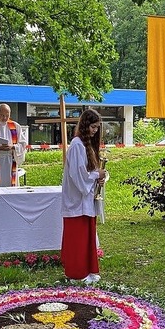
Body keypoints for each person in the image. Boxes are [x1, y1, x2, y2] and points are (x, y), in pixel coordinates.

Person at [61, 109, 106, 284]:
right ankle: (77, 272)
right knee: (77, 239)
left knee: (87, 237)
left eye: (97, 128)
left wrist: (100, 177)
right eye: (93, 127)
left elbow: (89, 171)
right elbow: (78, 174)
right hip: (76, 199)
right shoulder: (77, 145)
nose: (95, 131)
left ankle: (88, 269)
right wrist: (96, 176)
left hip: (85, 198)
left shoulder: (86, 146)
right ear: (86, 125)